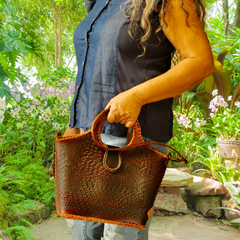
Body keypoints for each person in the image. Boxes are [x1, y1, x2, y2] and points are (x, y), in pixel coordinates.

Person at [63, 0, 214, 239]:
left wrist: (137, 96)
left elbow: (200, 61)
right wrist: (72, 127)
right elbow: (89, 69)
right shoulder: (100, 3)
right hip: (87, 137)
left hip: (133, 140)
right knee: (82, 232)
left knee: (121, 236)